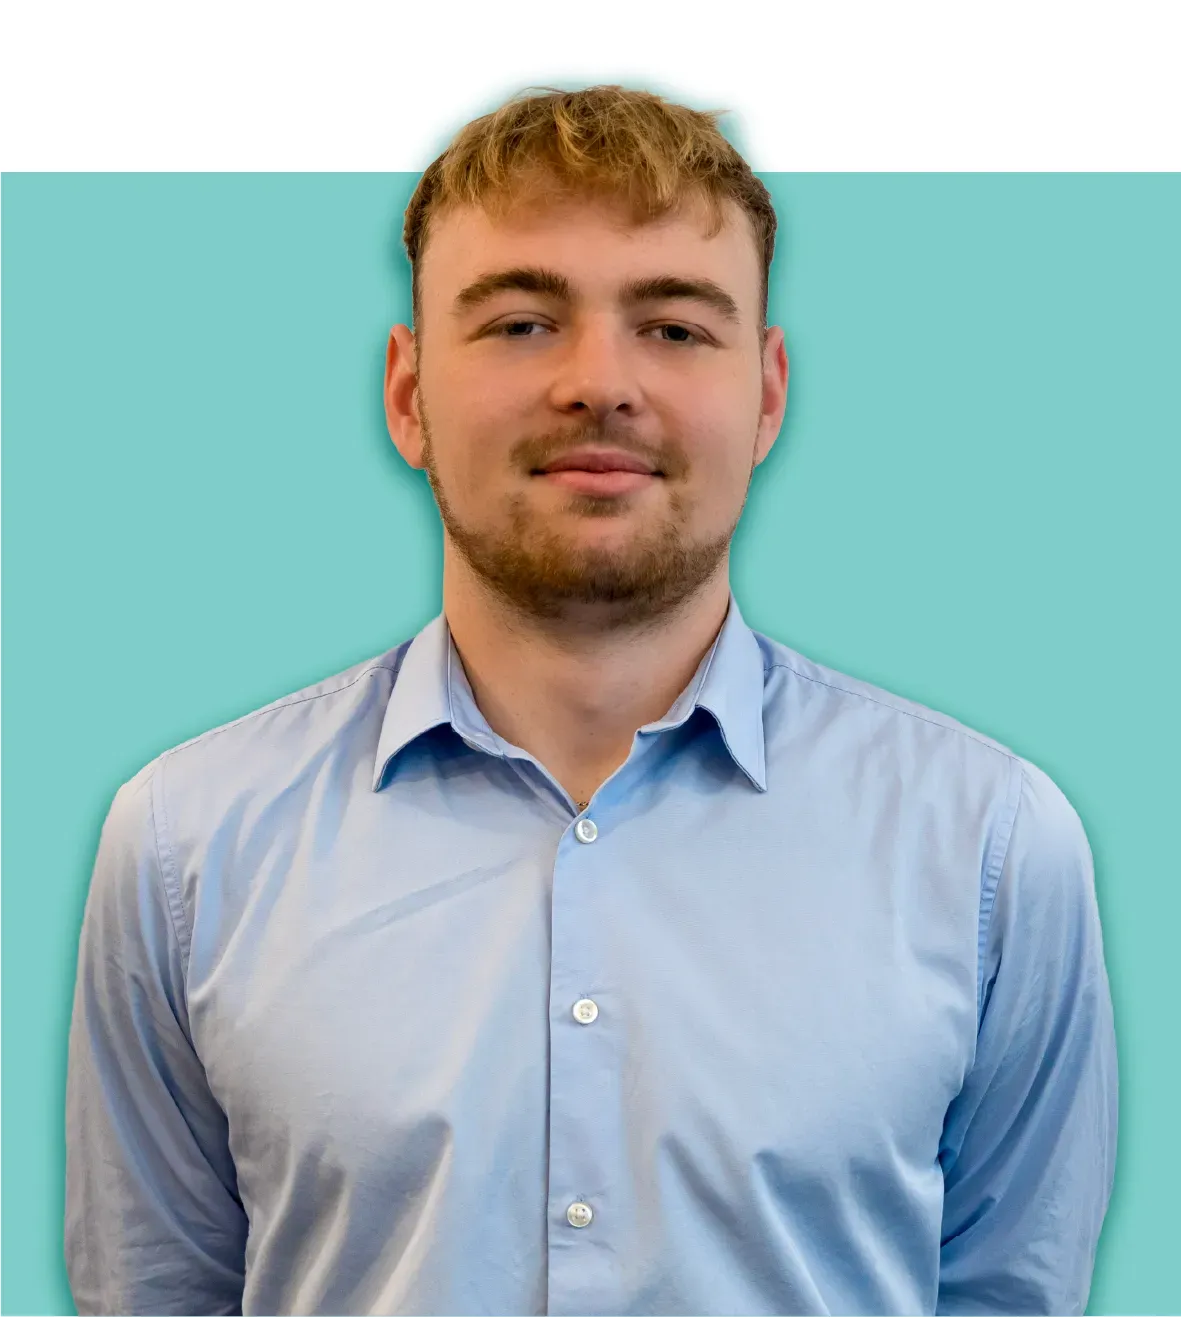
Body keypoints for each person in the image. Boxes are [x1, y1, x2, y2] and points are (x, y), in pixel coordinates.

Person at [64, 85, 1117, 1317]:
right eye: (519, 323)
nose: (597, 383)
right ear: (407, 395)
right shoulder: (188, 846)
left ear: (767, 393)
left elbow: (1011, 1294)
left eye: (673, 327)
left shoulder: (989, 847)